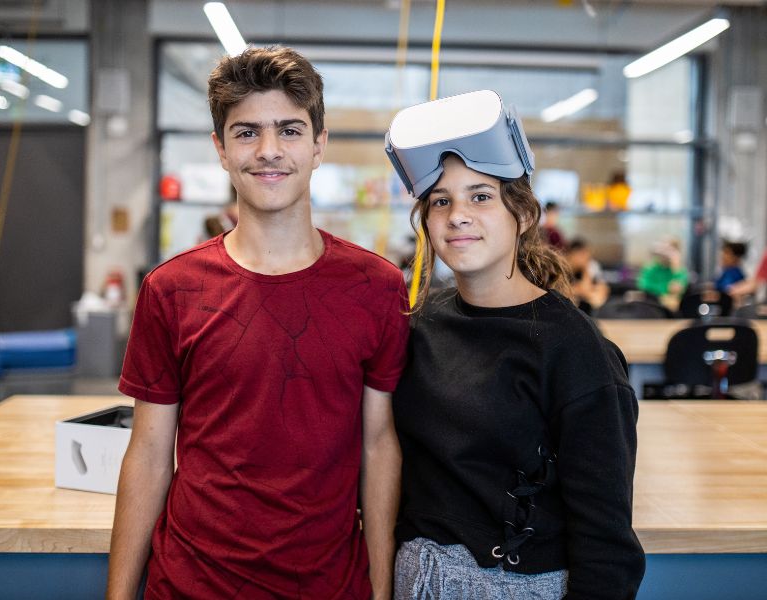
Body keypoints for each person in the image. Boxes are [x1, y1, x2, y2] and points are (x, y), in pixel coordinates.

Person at [107, 46, 409, 600]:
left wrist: (382, 587)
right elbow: (149, 452)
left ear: (319, 144)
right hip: (191, 584)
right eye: (246, 133)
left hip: (329, 586)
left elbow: (378, 444)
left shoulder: (378, 287)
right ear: (220, 149)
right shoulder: (171, 289)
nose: (269, 151)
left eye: (290, 130)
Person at [384, 89, 645, 599]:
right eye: (441, 201)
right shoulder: (421, 322)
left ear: (524, 216)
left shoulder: (575, 351)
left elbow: (607, 544)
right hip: (413, 579)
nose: (457, 215)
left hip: (516, 585)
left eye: (480, 196)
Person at [565, 237, 609, 312]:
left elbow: (602, 291)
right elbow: (564, 291)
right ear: (572, 254)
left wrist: (585, 269)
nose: (587, 258)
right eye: (583, 254)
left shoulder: (590, 266)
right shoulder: (562, 270)